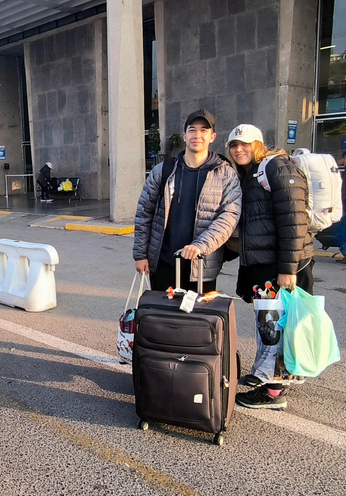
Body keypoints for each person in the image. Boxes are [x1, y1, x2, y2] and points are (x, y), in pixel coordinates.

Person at [225, 123, 314, 410]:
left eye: (245, 144)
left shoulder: (275, 168)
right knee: (272, 324)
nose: (239, 149)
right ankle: (276, 378)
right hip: (265, 265)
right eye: (234, 145)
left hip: (282, 265)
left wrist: (287, 268)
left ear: (258, 144)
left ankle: (273, 391)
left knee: (276, 325)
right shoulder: (251, 173)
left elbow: (294, 220)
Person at [133, 109, 241, 293]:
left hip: (202, 267)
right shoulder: (163, 170)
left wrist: (200, 246)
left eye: (203, 130)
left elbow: (229, 218)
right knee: (162, 319)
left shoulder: (225, 174)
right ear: (184, 136)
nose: (197, 135)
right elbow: (144, 213)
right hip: (163, 264)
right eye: (192, 130)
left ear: (212, 136)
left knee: (197, 321)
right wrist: (140, 255)